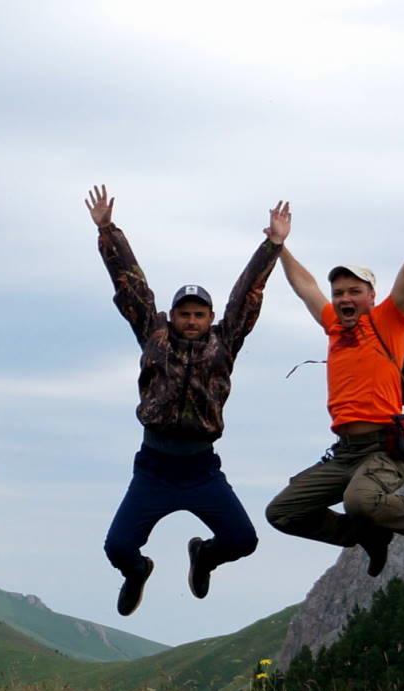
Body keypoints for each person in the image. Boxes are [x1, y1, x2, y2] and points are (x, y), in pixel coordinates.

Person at [87, 185, 290, 615]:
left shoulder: (225, 342)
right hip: (154, 469)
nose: (192, 321)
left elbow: (246, 294)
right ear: (172, 316)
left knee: (242, 541)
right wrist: (108, 232)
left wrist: (272, 244)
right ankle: (137, 571)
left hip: (201, 470)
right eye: (185, 313)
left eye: (200, 314)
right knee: (117, 547)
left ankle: (204, 557)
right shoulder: (154, 335)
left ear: (211, 318)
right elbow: (132, 286)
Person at [264, 164, 404, 577]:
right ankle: (367, 535)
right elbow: (304, 285)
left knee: (360, 501)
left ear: (372, 296)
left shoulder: (389, 320)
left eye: (354, 290)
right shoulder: (334, 326)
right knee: (282, 512)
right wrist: (278, 247)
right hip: (346, 453)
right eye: (339, 292)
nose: (343, 297)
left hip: (384, 450)